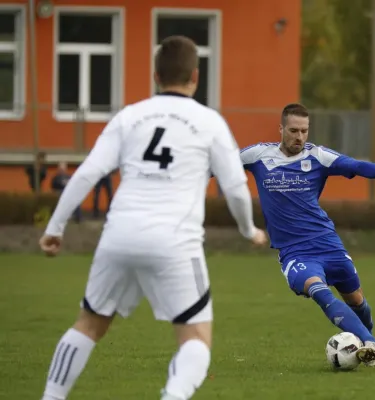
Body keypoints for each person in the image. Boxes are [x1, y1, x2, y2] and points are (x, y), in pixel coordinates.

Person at [38, 35, 267, 400]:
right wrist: (249, 230)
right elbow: (236, 187)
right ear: (196, 76)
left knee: (88, 325)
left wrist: (55, 227)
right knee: (195, 339)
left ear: (156, 76)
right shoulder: (209, 122)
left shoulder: (130, 116)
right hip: (174, 242)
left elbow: (87, 173)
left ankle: (51, 397)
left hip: (118, 236)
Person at [239, 103, 375, 367]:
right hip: (295, 252)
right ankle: (370, 343)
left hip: (327, 242)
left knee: (357, 301)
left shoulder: (317, 156)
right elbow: (222, 164)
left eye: (304, 131)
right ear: (281, 129)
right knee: (320, 291)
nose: (299, 137)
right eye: (294, 130)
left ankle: (368, 347)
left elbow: (353, 165)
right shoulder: (258, 155)